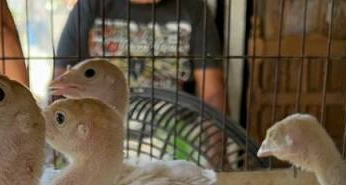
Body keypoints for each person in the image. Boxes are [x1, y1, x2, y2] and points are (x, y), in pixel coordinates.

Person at [54, 0, 227, 113]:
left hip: (174, 132)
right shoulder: (90, 5)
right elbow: (60, 83)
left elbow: (213, 92)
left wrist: (215, 153)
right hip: (98, 125)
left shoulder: (194, 8)